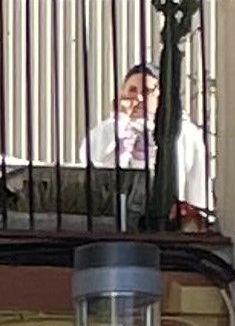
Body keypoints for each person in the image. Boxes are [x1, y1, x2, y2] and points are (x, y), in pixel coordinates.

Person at [77, 62, 212, 213]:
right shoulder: (108, 129)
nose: (139, 98)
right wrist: (120, 120)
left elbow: (197, 183)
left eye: (147, 91)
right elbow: (92, 160)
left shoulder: (184, 132)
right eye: (132, 90)